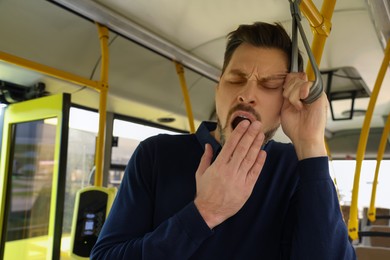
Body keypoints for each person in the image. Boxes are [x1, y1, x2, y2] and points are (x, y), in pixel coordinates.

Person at [91, 22, 356, 259]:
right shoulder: (156, 154)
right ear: (218, 89)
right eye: (236, 79)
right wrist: (204, 212)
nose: (246, 94)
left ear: (285, 102)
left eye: (269, 85)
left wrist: (310, 145)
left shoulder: (294, 166)